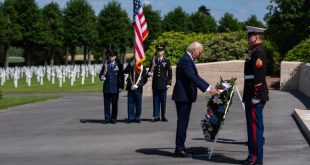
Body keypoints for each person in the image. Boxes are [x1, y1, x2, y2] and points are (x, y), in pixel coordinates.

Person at [172, 42, 218, 158]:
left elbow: (196, 77)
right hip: (183, 97)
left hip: (185, 96)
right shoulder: (186, 60)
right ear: (193, 50)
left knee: (184, 122)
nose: (199, 54)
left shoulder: (188, 59)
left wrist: (209, 87)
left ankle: (181, 146)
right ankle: (179, 149)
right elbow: (192, 77)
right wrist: (208, 89)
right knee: (182, 122)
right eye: (199, 52)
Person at [241, 26, 269, 165]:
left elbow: (259, 76)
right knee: (251, 129)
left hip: (255, 95)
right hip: (250, 94)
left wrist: (256, 96)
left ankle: (257, 160)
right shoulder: (253, 51)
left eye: (250, 36)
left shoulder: (258, 53)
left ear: (257, 37)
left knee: (255, 129)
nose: (248, 38)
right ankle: (252, 156)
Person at [147, 44, 172, 122]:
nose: (159, 52)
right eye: (158, 50)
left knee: (163, 101)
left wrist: (169, 83)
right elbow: (150, 70)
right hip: (155, 84)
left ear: (163, 52)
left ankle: (163, 116)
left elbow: (170, 72)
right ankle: (156, 116)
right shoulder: (153, 60)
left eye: (161, 50)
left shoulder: (167, 61)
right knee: (155, 101)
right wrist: (149, 74)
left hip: (163, 84)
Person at [99, 50, 124, 124]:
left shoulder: (118, 65)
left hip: (115, 88)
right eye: (109, 56)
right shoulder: (106, 64)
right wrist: (102, 77)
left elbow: (121, 77)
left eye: (112, 56)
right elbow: (101, 74)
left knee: (114, 104)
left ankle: (113, 118)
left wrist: (121, 87)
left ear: (115, 57)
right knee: (106, 104)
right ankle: (107, 118)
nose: (110, 57)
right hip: (107, 87)